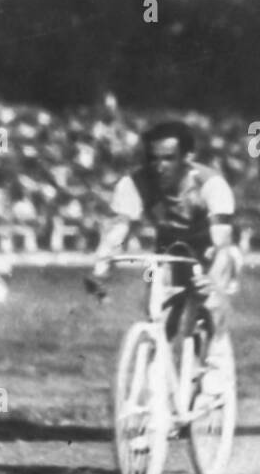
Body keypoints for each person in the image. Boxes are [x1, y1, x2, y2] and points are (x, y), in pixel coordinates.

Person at [89, 120, 241, 395]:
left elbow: (222, 242)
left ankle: (216, 359)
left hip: (210, 249)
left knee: (210, 299)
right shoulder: (134, 183)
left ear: (188, 157)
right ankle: (157, 397)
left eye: (169, 159)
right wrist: (101, 268)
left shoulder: (211, 185)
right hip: (170, 250)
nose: (159, 166)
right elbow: (118, 228)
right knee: (160, 317)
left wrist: (211, 279)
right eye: (153, 158)